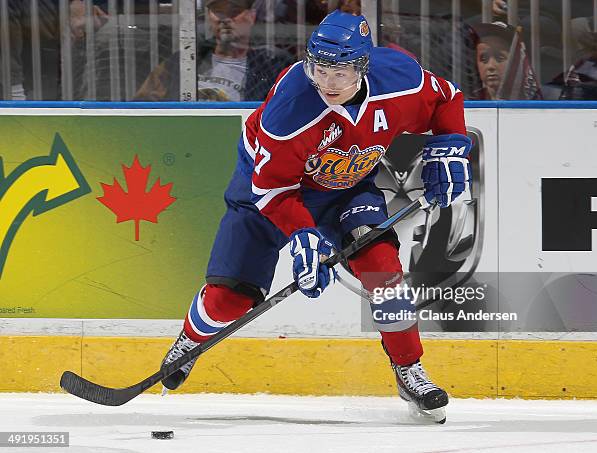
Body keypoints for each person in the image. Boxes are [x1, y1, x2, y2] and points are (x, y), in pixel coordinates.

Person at [160, 10, 472, 423]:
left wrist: (450, 147)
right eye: (321, 69)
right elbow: (273, 189)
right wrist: (305, 236)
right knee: (229, 299)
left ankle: (408, 369)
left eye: (341, 72)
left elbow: (446, 97)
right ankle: (190, 340)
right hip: (269, 193)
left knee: (385, 276)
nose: (328, 82)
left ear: (363, 66)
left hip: (347, 190)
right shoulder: (290, 110)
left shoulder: (399, 79)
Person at [134, 0, 293, 101]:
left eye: (234, 11)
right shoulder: (181, 62)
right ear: (209, 17)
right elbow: (143, 105)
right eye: (219, 12)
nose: (225, 19)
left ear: (251, 17)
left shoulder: (272, 65)